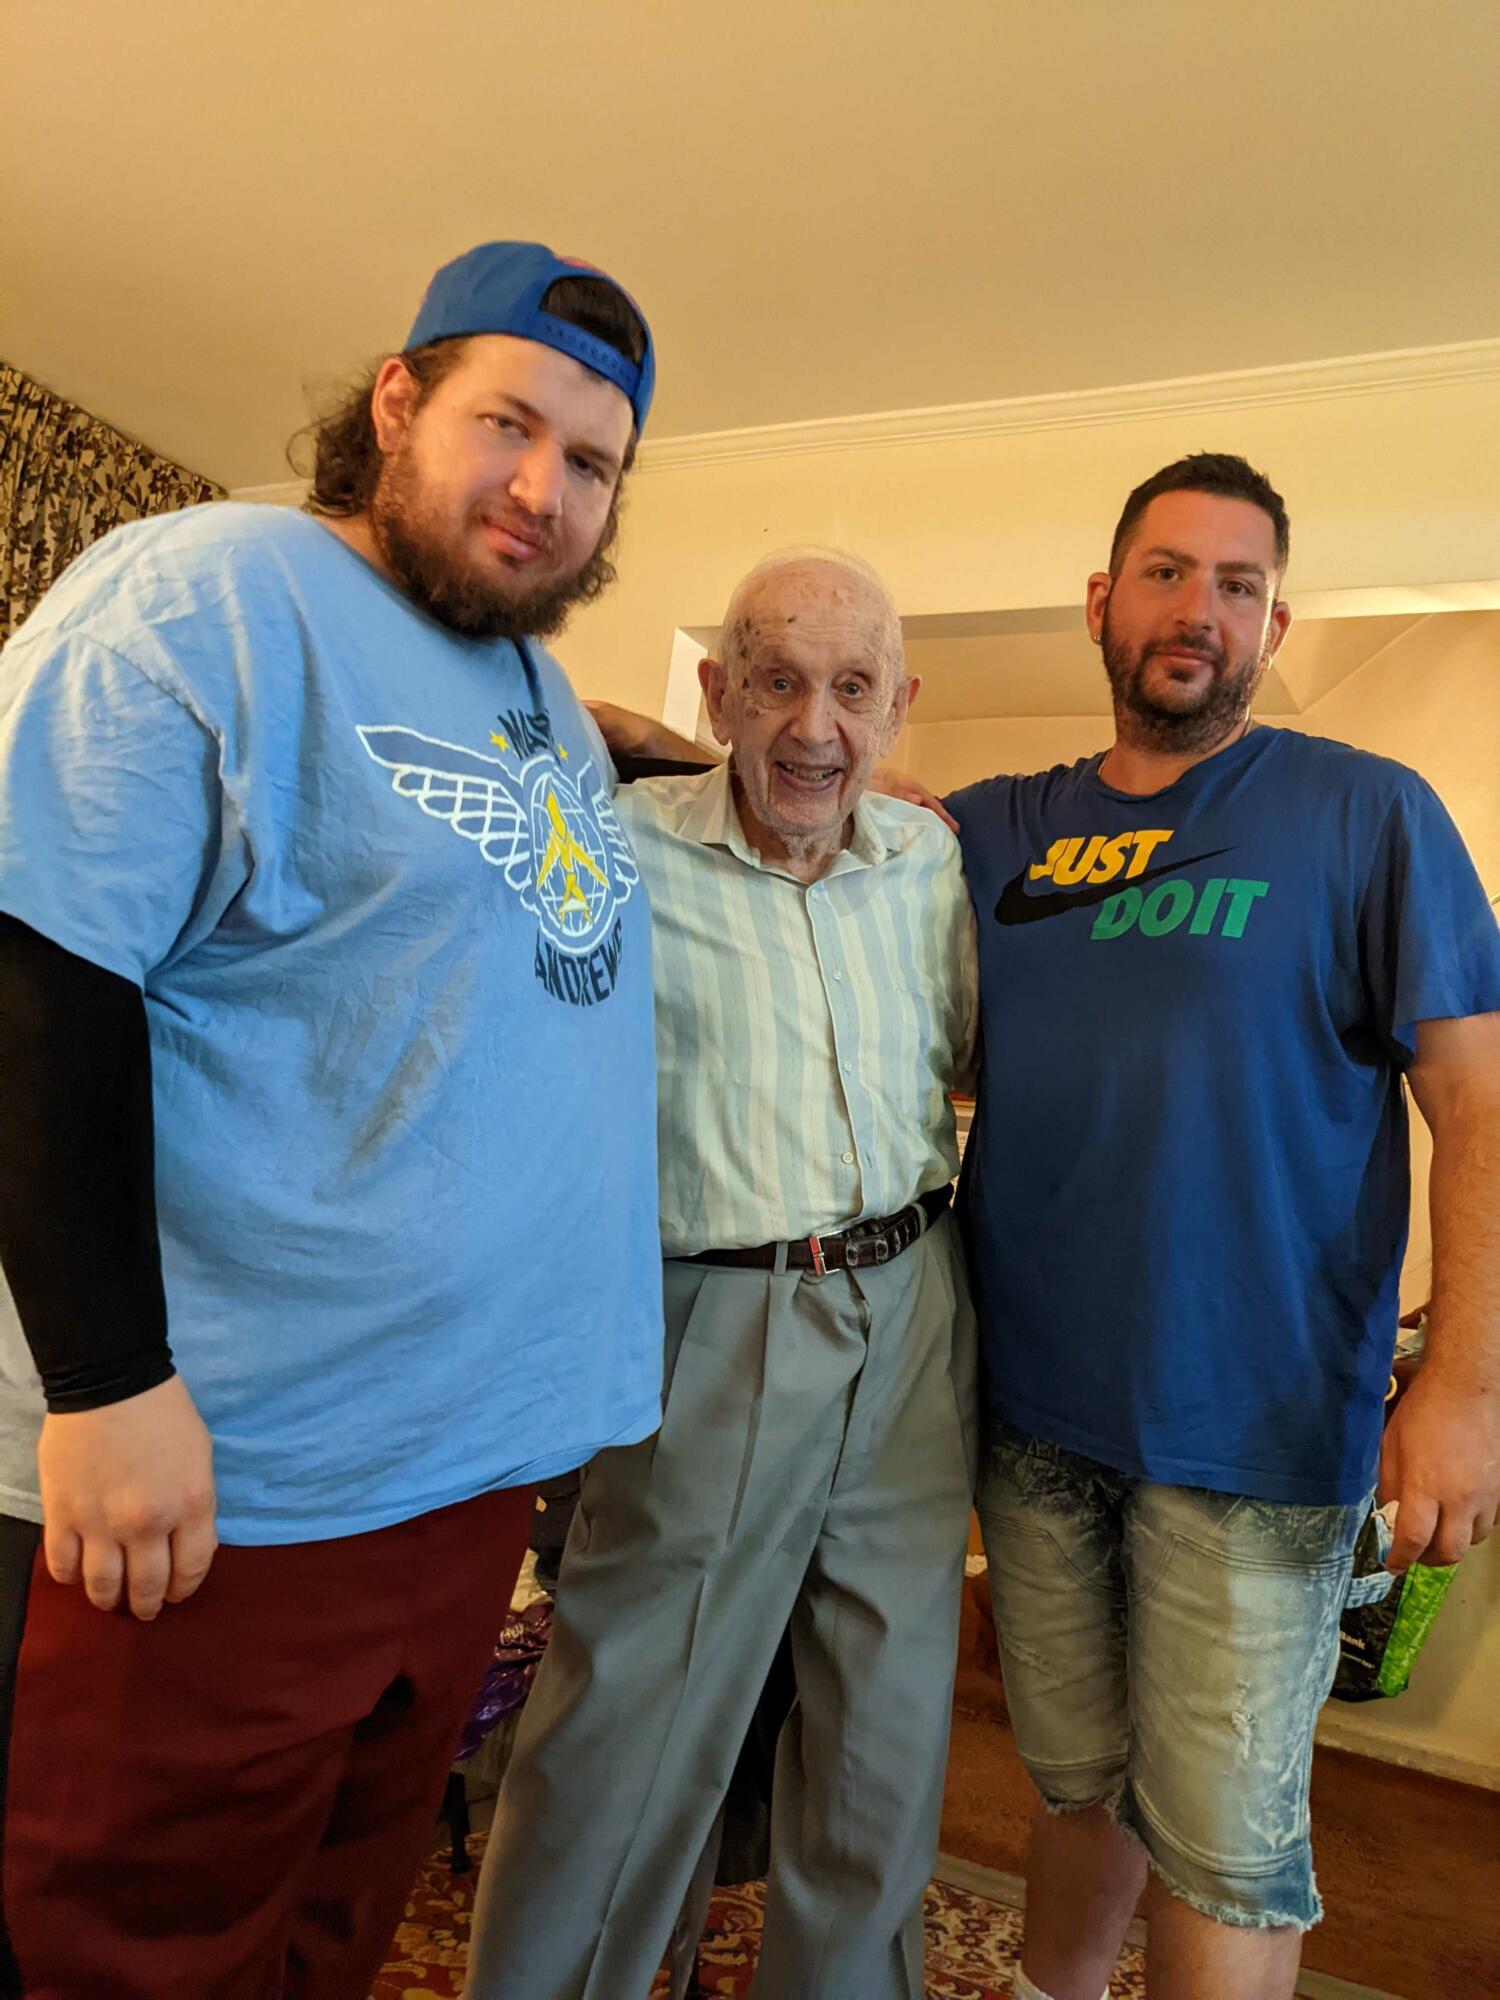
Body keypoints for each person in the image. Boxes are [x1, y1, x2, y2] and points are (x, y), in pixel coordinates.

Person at [0, 239, 665, 1999]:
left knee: (326, 1936)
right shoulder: (206, 591)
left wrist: (700, 761)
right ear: (396, 400)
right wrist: (107, 1383)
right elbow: (34, 970)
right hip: (231, 1488)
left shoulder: (527, 685)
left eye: (591, 462)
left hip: (452, 1482)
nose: (542, 490)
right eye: (506, 424)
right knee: (139, 1954)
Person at [943, 454, 1500, 2000]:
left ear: (1275, 624)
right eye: (1169, 571)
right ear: (1101, 601)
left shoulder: (1365, 814)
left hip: (1256, 1435)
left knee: (1227, 1844)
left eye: (1238, 585)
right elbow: (814, 794)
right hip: (1034, 1419)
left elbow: (1482, 1106)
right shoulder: (994, 835)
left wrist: (1463, 1386)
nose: (1200, 609)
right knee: (1080, 1782)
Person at [464, 549, 980, 1999]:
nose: (816, 725)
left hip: (915, 1309)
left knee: (882, 1745)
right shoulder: (617, 848)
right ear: (718, 692)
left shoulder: (929, 862)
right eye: (776, 683)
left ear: (900, 705)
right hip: (718, 1309)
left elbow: (964, 1055)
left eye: (854, 689)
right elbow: (514, 737)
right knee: (627, 1729)